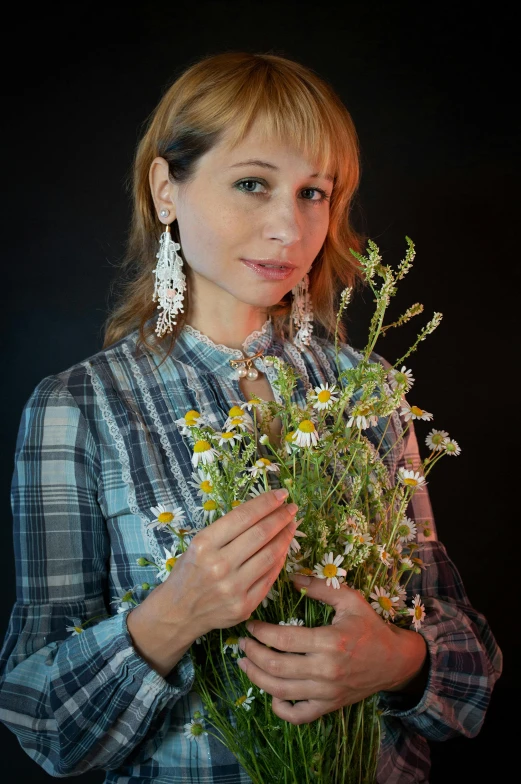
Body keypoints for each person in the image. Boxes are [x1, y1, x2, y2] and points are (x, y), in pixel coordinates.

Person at [0, 51, 502, 784]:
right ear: (166, 189)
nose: (287, 228)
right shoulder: (78, 409)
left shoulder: (370, 391)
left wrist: (397, 662)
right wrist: (176, 614)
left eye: (312, 192)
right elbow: (44, 725)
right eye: (251, 184)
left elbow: (474, 675)